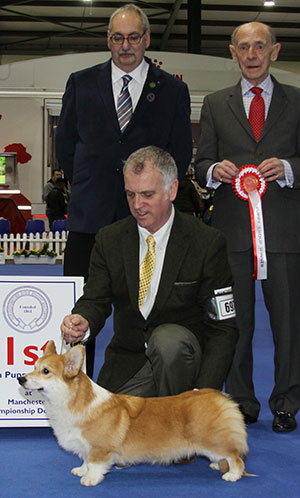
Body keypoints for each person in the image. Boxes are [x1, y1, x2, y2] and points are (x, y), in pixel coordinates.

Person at [56, 3, 192, 378]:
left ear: (147, 39)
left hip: (146, 224)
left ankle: (140, 386)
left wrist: (149, 197)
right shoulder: (80, 83)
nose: (125, 45)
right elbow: (65, 146)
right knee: (81, 313)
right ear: (108, 40)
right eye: (117, 37)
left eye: (133, 37)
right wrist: (86, 185)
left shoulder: (173, 90)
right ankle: (75, 392)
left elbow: (178, 154)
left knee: (146, 310)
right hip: (89, 220)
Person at [61, 146, 238, 399]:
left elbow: (223, 329)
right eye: (130, 194)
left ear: (172, 190)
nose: (137, 205)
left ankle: (180, 422)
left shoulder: (207, 243)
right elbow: (95, 299)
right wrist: (83, 321)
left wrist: (205, 393)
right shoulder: (109, 239)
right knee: (104, 434)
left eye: (147, 194)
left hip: (183, 366)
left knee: (167, 341)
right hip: (128, 364)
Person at [195, 21, 300, 433]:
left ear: (274, 51)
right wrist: (213, 170)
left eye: (260, 46)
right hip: (232, 230)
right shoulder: (215, 103)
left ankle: (287, 401)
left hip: (286, 230)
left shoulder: (297, 101)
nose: (252, 54)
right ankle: (241, 401)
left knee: (288, 323)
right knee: (234, 322)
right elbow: (201, 162)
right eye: (244, 47)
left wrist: (291, 168)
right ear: (233, 53)